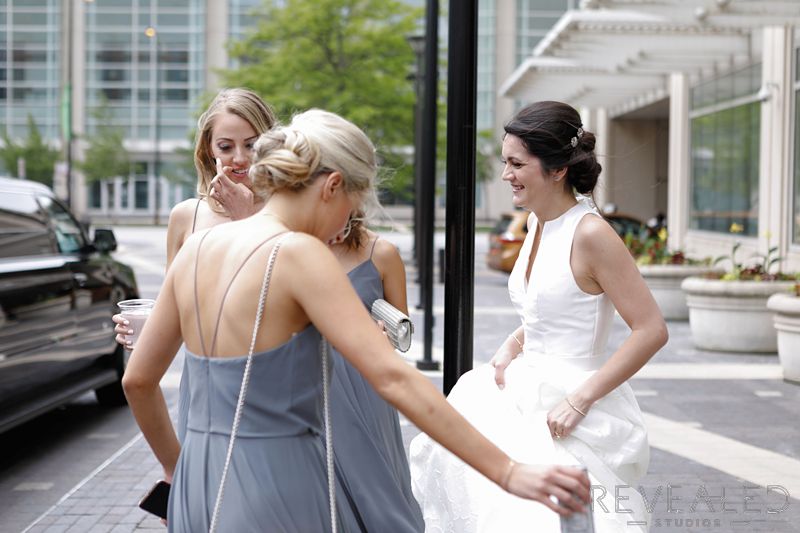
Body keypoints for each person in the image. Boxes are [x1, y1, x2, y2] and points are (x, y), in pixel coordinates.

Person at [121, 109, 590, 532]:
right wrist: (508, 471)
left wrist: (175, 468)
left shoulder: (198, 247)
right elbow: (392, 380)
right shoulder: (300, 254)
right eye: (350, 203)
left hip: (195, 488)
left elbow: (138, 380)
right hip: (276, 486)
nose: (345, 223)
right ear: (330, 187)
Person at [409, 101, 668, 533]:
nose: (506, 174)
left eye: (516, 163)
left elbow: (651, 330)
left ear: (558, 169)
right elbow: (552, 309)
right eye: (505, 162)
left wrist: (579, 400)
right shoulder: (537, 223)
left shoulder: (591, 233)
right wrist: (514, 343)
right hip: (520, 392)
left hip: (571, 406)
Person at [113, 87, 277, 348]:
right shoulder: (186, 215)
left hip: (269, 365)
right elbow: (174, 310)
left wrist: (243, 217)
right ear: (209, 149)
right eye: (225, 146)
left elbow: (281, 302)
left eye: (251, 145)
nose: (239, 158)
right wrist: (148, 333)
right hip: (203, 369)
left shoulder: (288, 210)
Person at [327, 214, 425, 531]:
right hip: (313, 380)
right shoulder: (299, 246)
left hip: (365, 383)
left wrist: (381, 338)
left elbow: (401, 330)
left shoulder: (381, 252)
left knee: (374, 479)